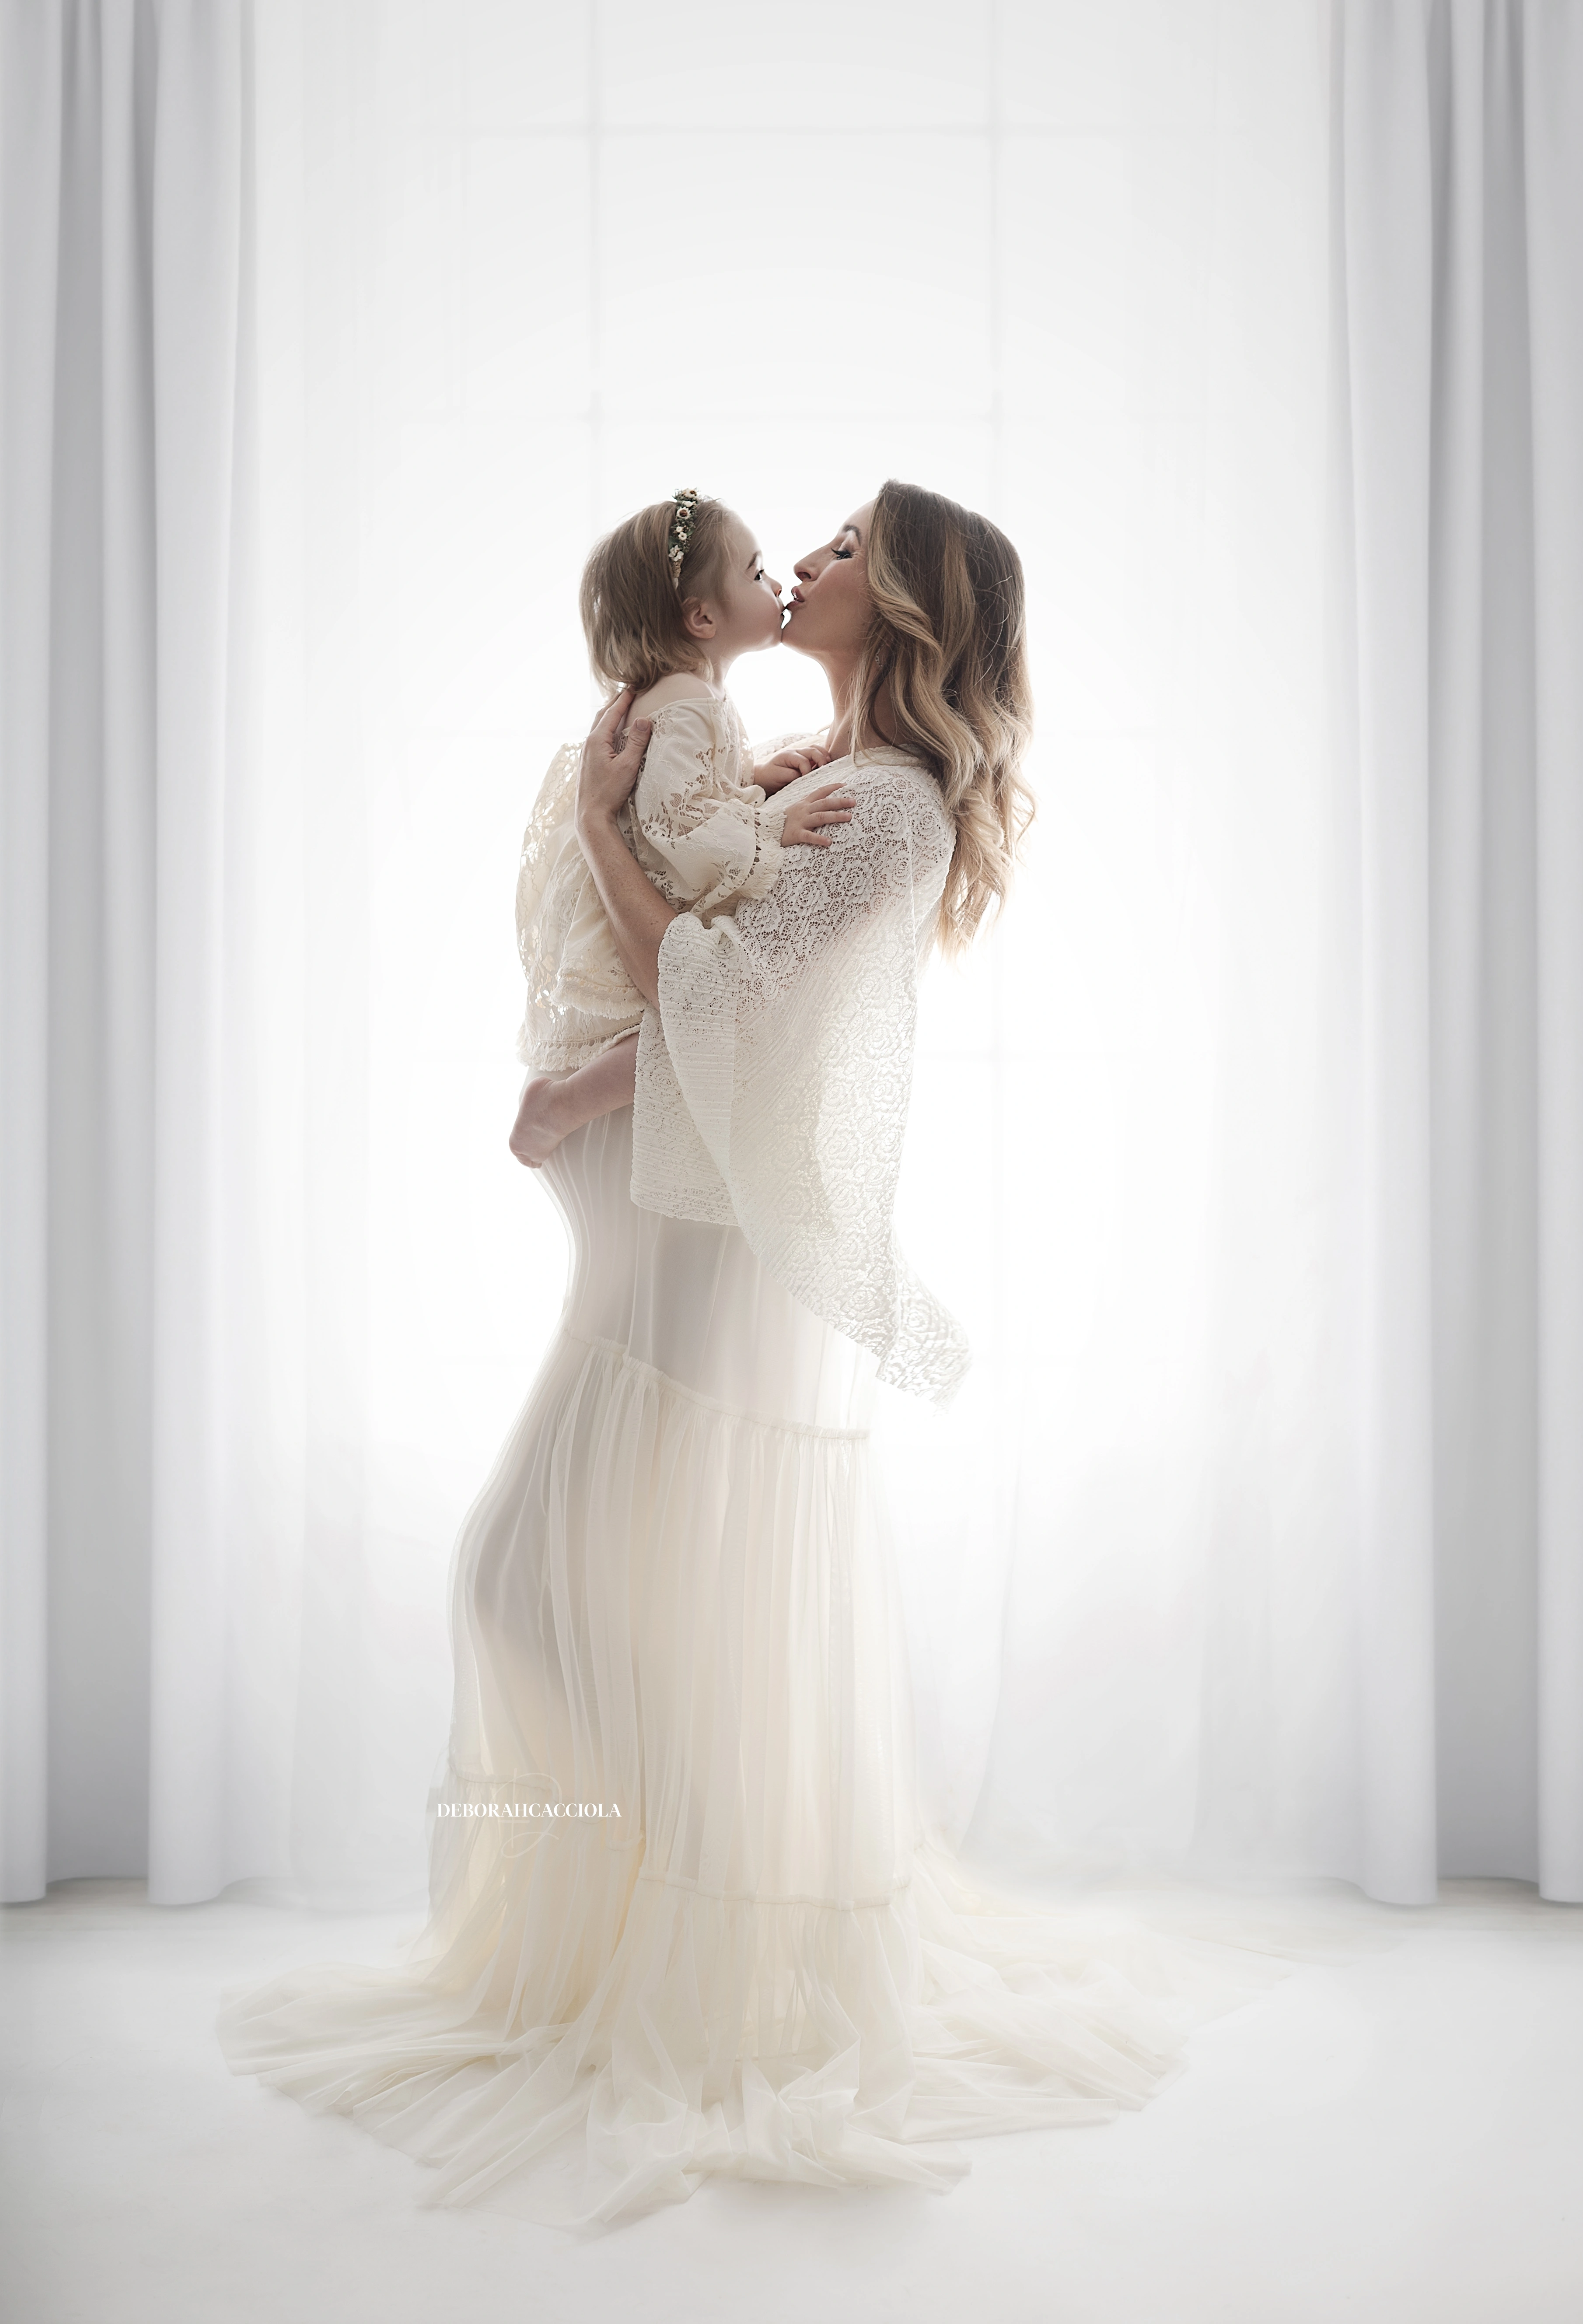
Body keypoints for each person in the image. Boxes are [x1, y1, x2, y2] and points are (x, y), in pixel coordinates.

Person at [217, 481, 1280, 2231]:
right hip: (668, 1248)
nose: (805, 558)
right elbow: (706, 945)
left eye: (849, 546)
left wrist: (598, 837)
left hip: (712, 1272)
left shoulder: (888, 804)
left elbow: (719, 989)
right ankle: (678, 1916)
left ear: (916, 603)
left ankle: (727, 1919)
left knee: (522, 1574)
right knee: (599, 1585)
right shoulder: (813, 766)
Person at [509, 486, 856, 1161]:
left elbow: (671, 793)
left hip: (634, 883)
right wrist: (768, 831)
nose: (779, 581)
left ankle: (558, 1103)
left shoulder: (684, 697)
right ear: (701, 617)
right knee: (680, 1032)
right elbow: (674, 822)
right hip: (631, 907)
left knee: (687, 1027)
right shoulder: (692, 701)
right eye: (756, 573)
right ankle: (555, 1107)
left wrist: (749, 782)